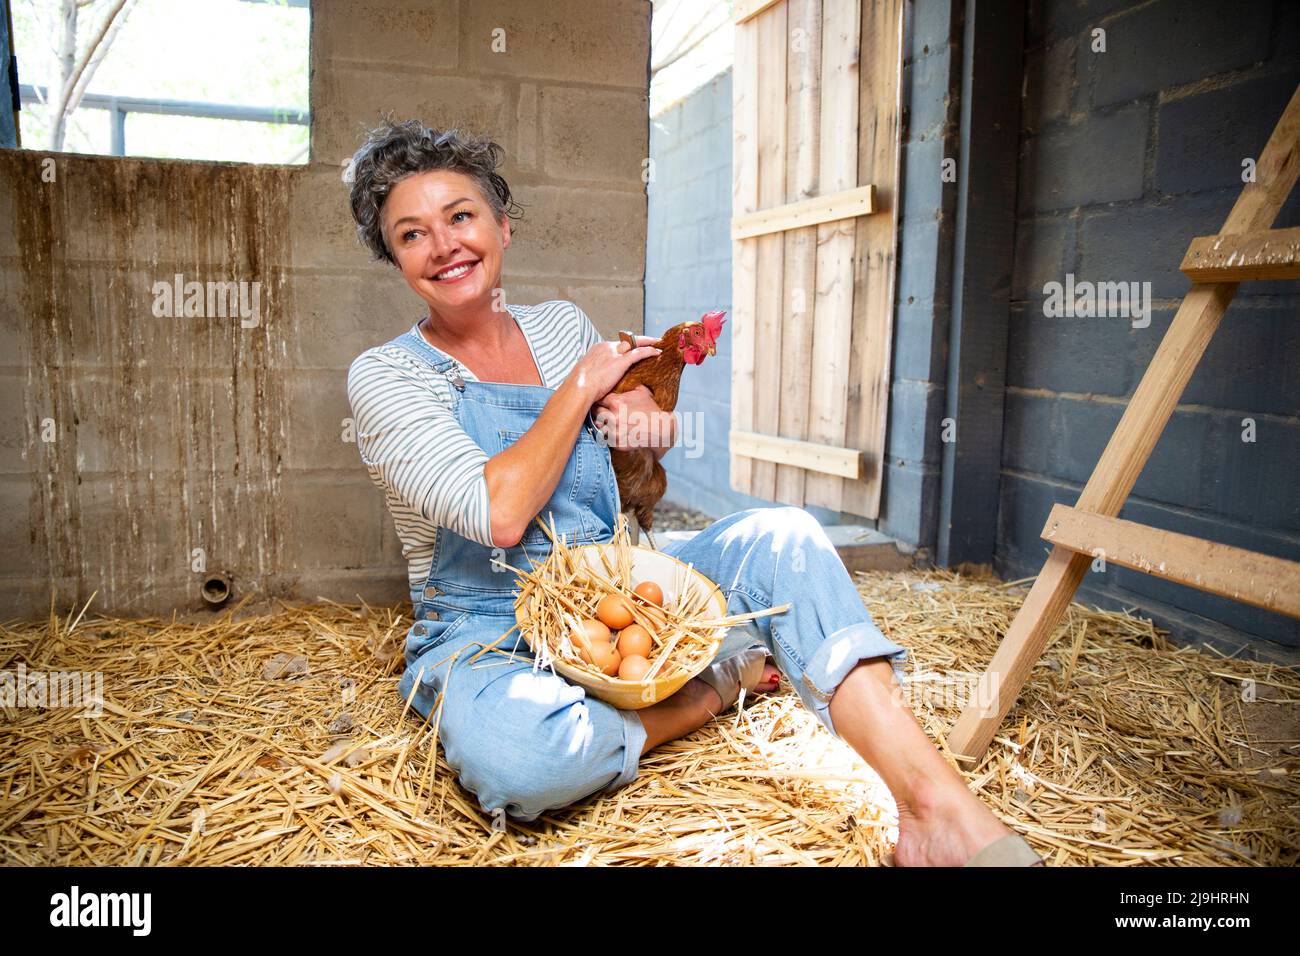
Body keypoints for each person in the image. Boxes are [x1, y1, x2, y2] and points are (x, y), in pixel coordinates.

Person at [344, 119, 1042, 867]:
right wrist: (582, 385)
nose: (444, 244)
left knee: (786, 538)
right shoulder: (386, 376)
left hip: (623, 587)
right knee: (521, 759)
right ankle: (710, 686)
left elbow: (611, 474)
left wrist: (644, 434)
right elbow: (502, 511)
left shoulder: (561, 327)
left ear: (503, 226)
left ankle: (934, 809)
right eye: (412, 234)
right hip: (491, 621)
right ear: (396, 260)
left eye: (461, 216)